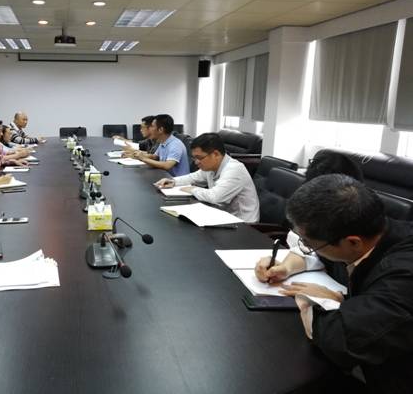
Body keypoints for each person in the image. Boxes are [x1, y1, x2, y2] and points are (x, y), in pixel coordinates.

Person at [264, 174, 413, 392]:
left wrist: (319, 301)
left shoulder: (403, 275)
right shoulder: (366, 230)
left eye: (308, 243)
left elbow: (339, 340)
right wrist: (286, 267)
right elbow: (322, 254)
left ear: (353, 242)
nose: (306, 247)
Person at [256, 150, 364, 285]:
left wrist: (339, 296)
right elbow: (312, 253)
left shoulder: (356, 231)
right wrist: (286, 267)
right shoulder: (328, 224)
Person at [154, 132, 259, 222]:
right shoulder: (212, 166)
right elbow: (194, 177)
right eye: (195, 158)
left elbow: (215, 197)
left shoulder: (234, 170)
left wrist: (192, 189)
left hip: (243, 225)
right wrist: (173, 181)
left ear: (215, 154)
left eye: (199, 158)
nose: (196, 162)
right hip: (223, 215)